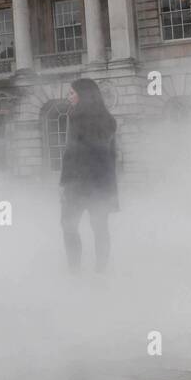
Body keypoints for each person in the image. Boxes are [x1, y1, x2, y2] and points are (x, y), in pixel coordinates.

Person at [60, 78, 118, 274]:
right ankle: (101, 270)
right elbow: (112, 155)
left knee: (69, 226)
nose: (68, 97)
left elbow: (71, 153)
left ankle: (75, 270)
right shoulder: (109, 120)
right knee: (100, 228)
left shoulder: (75, 117)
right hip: (102, 183)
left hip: (78, 182)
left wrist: (64, 184)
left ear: (83, 95)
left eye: (71, 93)